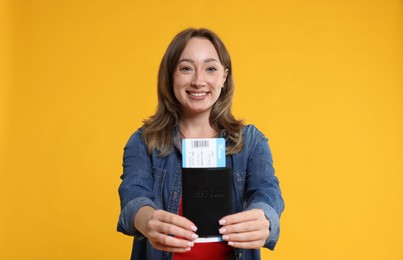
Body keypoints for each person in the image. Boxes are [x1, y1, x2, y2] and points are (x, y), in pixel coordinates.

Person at [117, 28, 284, 260]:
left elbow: (268, 193)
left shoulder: (251, 141)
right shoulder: (144, 141)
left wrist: (264, 217)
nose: (198, 81)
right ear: (170, 75)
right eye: (186, 68)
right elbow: (133, 195)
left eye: (211, 69)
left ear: (224, 77)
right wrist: (146, 219)